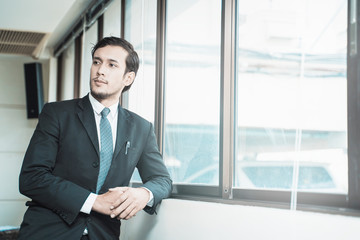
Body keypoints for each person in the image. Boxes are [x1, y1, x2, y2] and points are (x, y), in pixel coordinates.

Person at [18, 37, 172, 240]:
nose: (100, 70)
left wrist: (143, 194)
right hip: (48, 232)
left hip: (103, 234)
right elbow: (32, 177)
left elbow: (162, 179)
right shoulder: (56, 113)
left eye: (112, 65)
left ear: (128, 78)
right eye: (97, 62)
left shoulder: (141, 128)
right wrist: (94, 201)